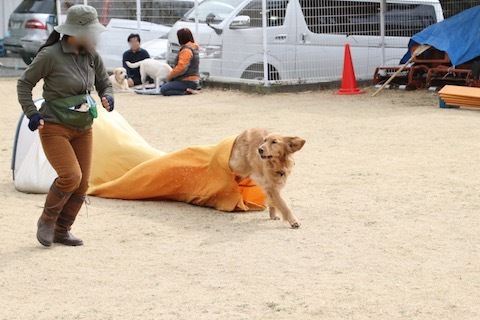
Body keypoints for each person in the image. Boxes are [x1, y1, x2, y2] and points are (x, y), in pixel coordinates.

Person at [17, 5, 114, 247]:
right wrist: (31, 113)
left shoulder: (91, 54)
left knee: (82, 183)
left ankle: (63, 229)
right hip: (53, 125)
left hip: (83, 126)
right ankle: (47, 221)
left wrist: (107, 96)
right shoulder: (49, 55)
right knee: (70, 176)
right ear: (74, 32)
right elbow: (24, 84)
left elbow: (105, 83)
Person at [161, 28, 200, 96]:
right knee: (165, 85)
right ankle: (188, 89)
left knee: (164, 89)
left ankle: (186, 92)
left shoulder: (186, 50)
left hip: (187, 81)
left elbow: (182, 67)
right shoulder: (193, 48)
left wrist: (170, 76)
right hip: (193, 80)